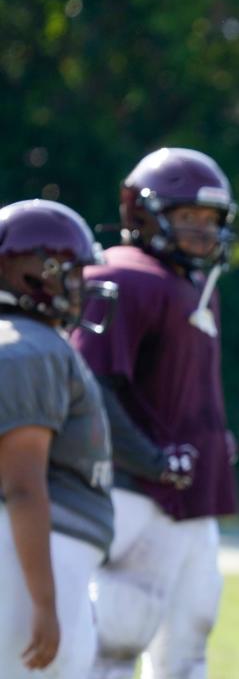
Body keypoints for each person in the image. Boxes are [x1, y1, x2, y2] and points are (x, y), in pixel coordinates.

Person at [70, 147, 239, 679]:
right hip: (136, 490)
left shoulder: (193, 285)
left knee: (191, 642)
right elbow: (91, 386)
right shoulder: (123, 277)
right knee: (117, 637)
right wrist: (150, 457)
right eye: (187, 216)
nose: (201, 230)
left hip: (189, 497)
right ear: (141, 213)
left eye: (210, 219)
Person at [0, 199, 117, 678]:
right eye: (72, 272)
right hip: (34, 555)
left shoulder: (28, 342)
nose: (82, 286)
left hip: (42, 555)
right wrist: (45, 603)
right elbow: (24, 485)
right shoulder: (29, 349)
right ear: (36, 274)